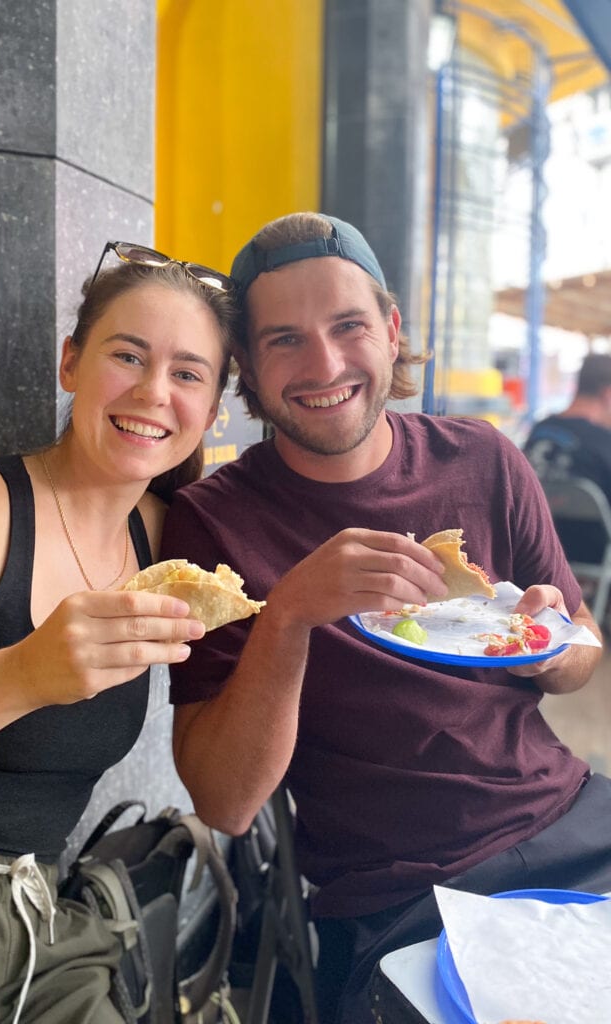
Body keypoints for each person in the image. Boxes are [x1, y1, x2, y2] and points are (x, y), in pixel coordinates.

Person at [159, 212, 610, 1023]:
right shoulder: (215, 523)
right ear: (248, 372)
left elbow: (582, 651)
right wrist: (290, 612)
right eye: (285, 340)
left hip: (576, 822)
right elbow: (224, 803)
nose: (324, 364)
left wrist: (546, 644)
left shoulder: (482, 458)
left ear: (392, 330)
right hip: (402, 891)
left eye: (348, 326)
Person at [0, 240, 236, 1023]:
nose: (155, 391)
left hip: (41, 933)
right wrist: (20, 676)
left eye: (189, 373)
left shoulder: (167, 540)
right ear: (70, 363)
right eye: (128, 355)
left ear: (214, 410)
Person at [523, 352, 611, 563]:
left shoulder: (539, 430)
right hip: (592, 557)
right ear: (608, 394)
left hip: (534, 555)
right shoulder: (604, 441)